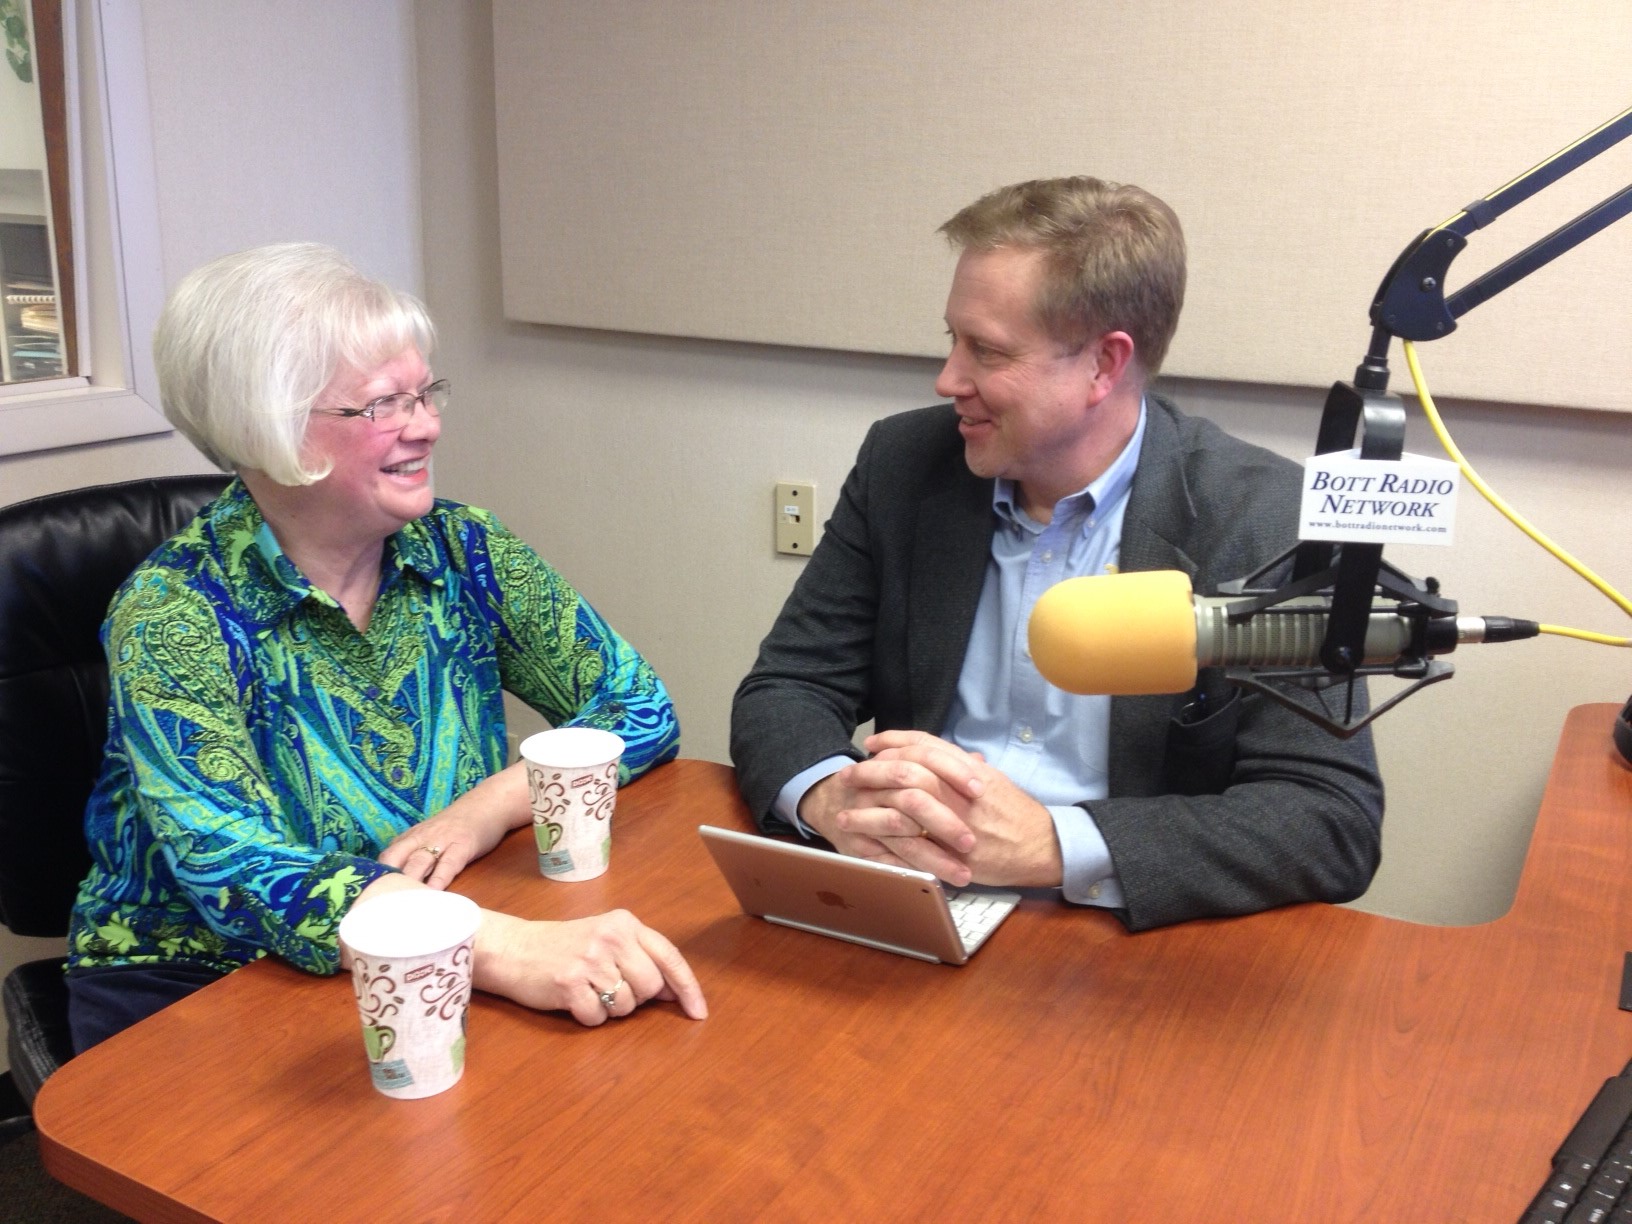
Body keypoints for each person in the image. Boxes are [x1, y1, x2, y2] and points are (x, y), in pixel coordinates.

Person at [66, 243, 706, 1051]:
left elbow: (639, 706)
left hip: (443, 924)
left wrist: (485, 810)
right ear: (272, 427)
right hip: (208, 978)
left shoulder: (461, 547)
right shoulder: (173, 613)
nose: (428, 425)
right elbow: (243, 872)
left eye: (426, 393)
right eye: (383, 406)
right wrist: (503, 946)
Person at [730, 177, 1384, 932]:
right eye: (953, 339)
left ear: (1104, 365)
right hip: (915, 908)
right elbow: (788, 685)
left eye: (988, 351)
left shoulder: (1260, 515)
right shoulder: (904, 465)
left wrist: (1055, 844)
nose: (949, 380)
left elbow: (1328, 817)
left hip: (1115, 937)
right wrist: (830, 797)